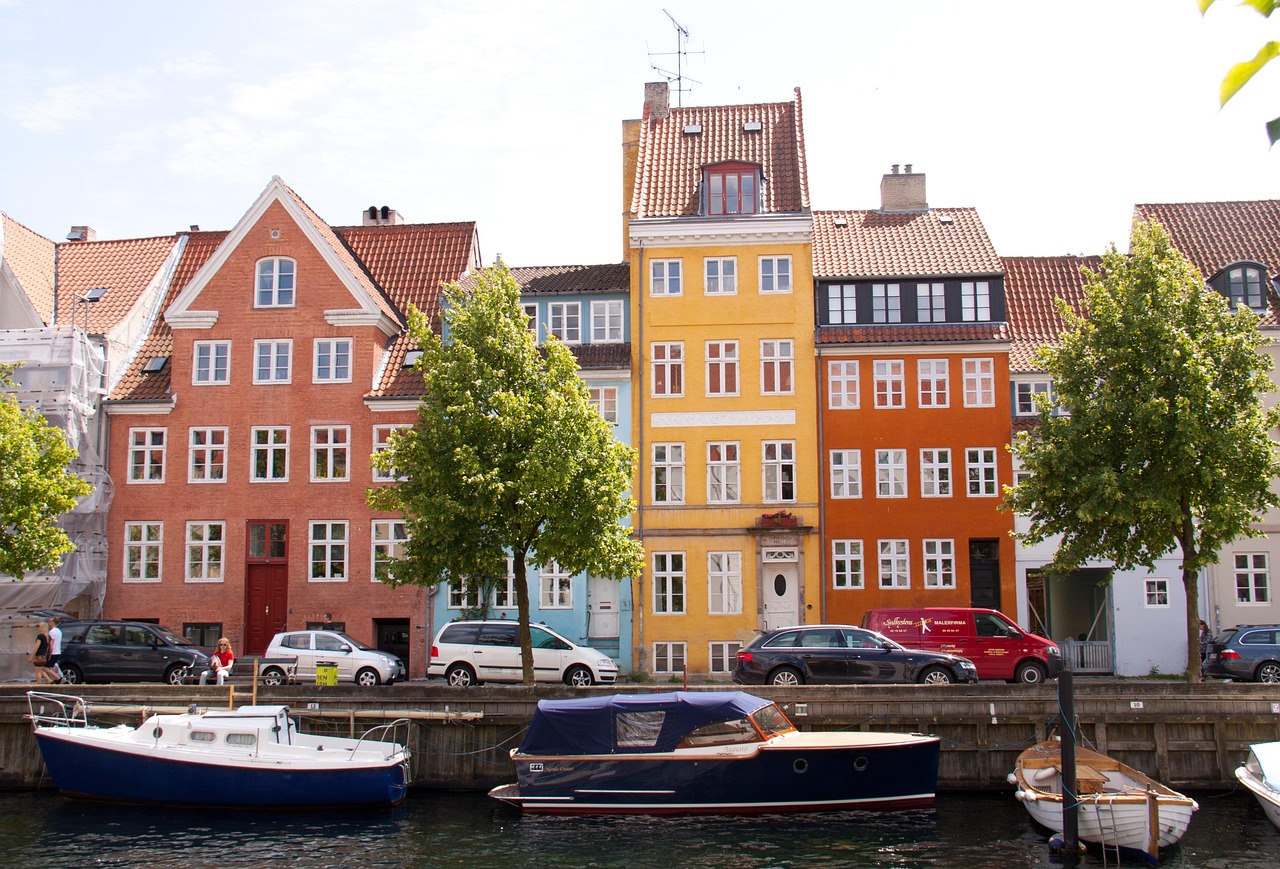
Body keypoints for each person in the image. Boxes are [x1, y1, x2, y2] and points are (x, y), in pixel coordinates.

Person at [47, 616, 64, 682]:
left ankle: (58, 678)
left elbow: (51, 643)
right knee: (53, 665)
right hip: (57, 651)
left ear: (53, 622)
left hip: (53, 652)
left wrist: (49, 653)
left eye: (50, 621)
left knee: (48, 667)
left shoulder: (52, 632)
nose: (49, 623)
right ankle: (57, 678)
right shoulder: (59, 631)